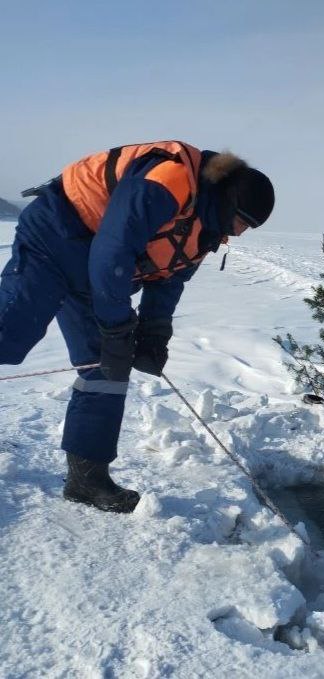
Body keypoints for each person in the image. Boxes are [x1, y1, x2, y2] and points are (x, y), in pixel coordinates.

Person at [0, 140, 275, 514]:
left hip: (94, 265)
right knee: (10, 332)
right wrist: (116, 325)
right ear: (227, 202)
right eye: (242, 221)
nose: (240, 233)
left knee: (106, 366)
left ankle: (86, 479)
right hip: (55, 237)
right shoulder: (169, 178)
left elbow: (169, 278)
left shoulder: (206, 226)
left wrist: (153, 334)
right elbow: (112, 251)